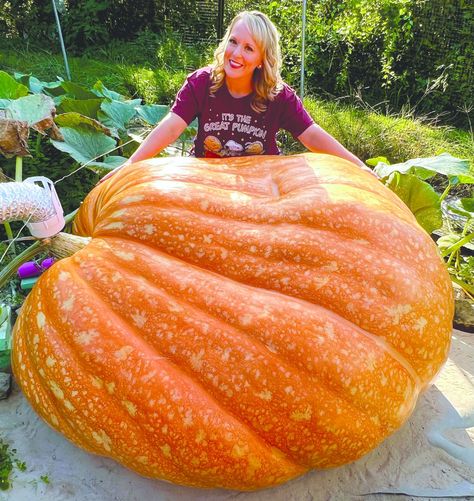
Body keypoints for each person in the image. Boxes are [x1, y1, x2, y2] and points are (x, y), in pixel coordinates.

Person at [103, 10, 371, 181]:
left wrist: (360, 168)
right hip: (207, 181)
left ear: (261, 59)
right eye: (233, 41)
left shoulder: (278, 95)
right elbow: (171, 126)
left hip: (260, 185)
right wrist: (129, 166)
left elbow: (311, 134)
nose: (237, 54)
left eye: (249, 48)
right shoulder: (201, 83)